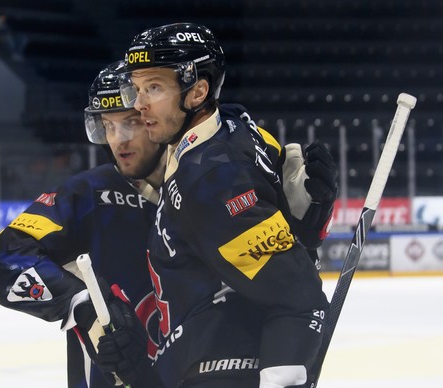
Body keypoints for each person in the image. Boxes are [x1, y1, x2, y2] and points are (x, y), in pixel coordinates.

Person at [96, 23, 337, 388]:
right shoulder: (234, 122)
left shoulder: (211, 180)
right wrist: (308, 217)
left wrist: (280, 378)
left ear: (197, 92)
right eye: (138, 87)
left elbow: (298, 296)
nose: (139, 102)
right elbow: (291, 229)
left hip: (217, 367)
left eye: (154, 87)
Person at [0, 60, 165, 388]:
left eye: (131, 122)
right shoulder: (86, 194)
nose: (118, 140)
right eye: (108, 126)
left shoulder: (201, 184)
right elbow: (5, 259)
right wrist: (80, 303)